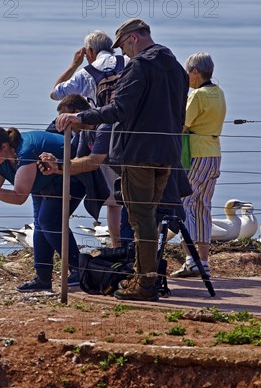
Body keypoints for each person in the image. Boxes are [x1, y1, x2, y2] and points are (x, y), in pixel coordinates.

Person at [55, 18, 189, 301]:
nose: (123, 54)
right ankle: (145, 277)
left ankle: (144, 283)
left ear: (134, 39)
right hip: (168, 152)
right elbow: (180, 115)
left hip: (139, 153)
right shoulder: (176, 68)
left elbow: (119, 109)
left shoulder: (139, 67)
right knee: (149, 217)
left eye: (124, 47)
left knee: (141, 218)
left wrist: (80, 117)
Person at [0, 127, 93, 292]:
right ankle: (43, 278)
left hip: (70, 174)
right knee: (40, 223)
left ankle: (79, 270)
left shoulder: (25, 152)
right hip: (43, 180)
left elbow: (19, 197)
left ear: (4, 146)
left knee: (49, 221)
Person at [40, 94, 122, 247]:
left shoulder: (104, 125)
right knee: (114, 204)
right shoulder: (84, 131)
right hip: (115, 170)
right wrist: (54, 167)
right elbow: (77, 162)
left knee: (131, 207)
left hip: (130, 170)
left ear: (77, 113)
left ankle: (135, 253)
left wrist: (58, 166)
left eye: (65, 119)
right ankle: (118, 247)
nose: (63, 126)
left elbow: (93, 162)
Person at [171, 53, 226, 278]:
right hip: (214, 151)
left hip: (196, 154)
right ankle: (203, 262)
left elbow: (181, 125)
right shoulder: (218, 93)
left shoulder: (197, 96)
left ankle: (191, 260)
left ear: (195, 72)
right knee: (203, 205)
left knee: (187, 203)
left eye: (188, 73)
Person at [50, 30, 125, 103]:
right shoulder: (128, 61)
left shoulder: (86, 74)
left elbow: (55, 94)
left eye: (86, 55)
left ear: (90, 50)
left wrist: (74, 65)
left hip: (104, 114)